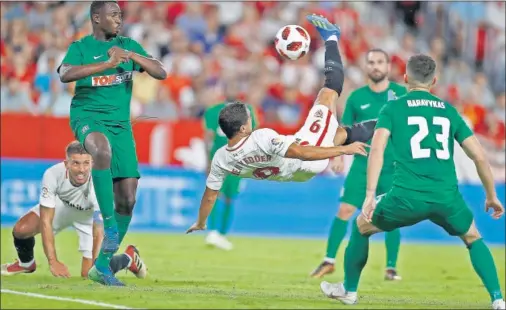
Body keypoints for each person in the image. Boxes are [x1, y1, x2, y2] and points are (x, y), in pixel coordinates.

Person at [319, 54, 506, 310]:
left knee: (361, 226)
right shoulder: (448, 111)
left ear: (405, 78)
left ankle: (349, 290)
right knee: (473, 237)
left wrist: (371, 194)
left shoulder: (393, 108)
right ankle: (498, 299)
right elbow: (480, 156)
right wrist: (491, 195)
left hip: (406, 197)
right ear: (435, 81)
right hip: (446, 198)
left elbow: (377, 149)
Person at [186, 15, 375, 234]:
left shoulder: (221, 157)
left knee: (340, 132)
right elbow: (302, 152)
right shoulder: (261, 138)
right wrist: (343, 151)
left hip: (293, 175)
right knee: (328, 93)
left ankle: (386, 125)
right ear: (244, 128)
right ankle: (332, 38)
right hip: (307, 158)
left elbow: (210, 194)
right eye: (248, 119)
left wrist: (201, 221)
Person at [57, 1, 166, 286]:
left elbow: (160, 71)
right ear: (96, 17)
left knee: (128, 200)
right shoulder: (80, 47)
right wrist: (107, 63)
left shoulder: (128, 45)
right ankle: (108, 225)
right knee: (100, 149)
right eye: (113, 14)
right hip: (88, 116)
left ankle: (102, 265)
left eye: (120, 13)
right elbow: (65, 74)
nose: (120, 18)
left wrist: (129, 54)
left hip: (121, 125)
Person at [311, 49, 407, 280]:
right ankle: (329, 260)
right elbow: (343, 131)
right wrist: (336, 156)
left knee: (392, 217)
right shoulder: (356, 98)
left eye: (380, 62)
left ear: (388, 66)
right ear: (366, 67)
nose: (375, 66)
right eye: (371, 62)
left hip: (392, 166)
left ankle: (391, 268)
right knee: (345, 210)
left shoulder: (400, 94)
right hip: (362, 165)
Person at [1, 141, 147, 280]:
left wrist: (97, 266)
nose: (82, 169)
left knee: (90, 273)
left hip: (88, 217)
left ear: (92, 163)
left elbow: (98, 229)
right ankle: (26, 264)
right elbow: (46, 220)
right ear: (66, 164)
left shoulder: (99, 183)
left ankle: (128, 258)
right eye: (76, 163)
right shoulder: (52, 174)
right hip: (62, 206)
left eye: (86, 163)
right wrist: (53, 261)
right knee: (20, 230)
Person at [203, 81, 259, 250]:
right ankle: (214, 232)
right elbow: (208, 137)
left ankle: (220, 234)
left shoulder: (246, 111)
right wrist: (207, 161)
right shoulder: (217, 111)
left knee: (228, 197)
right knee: (217, 195)